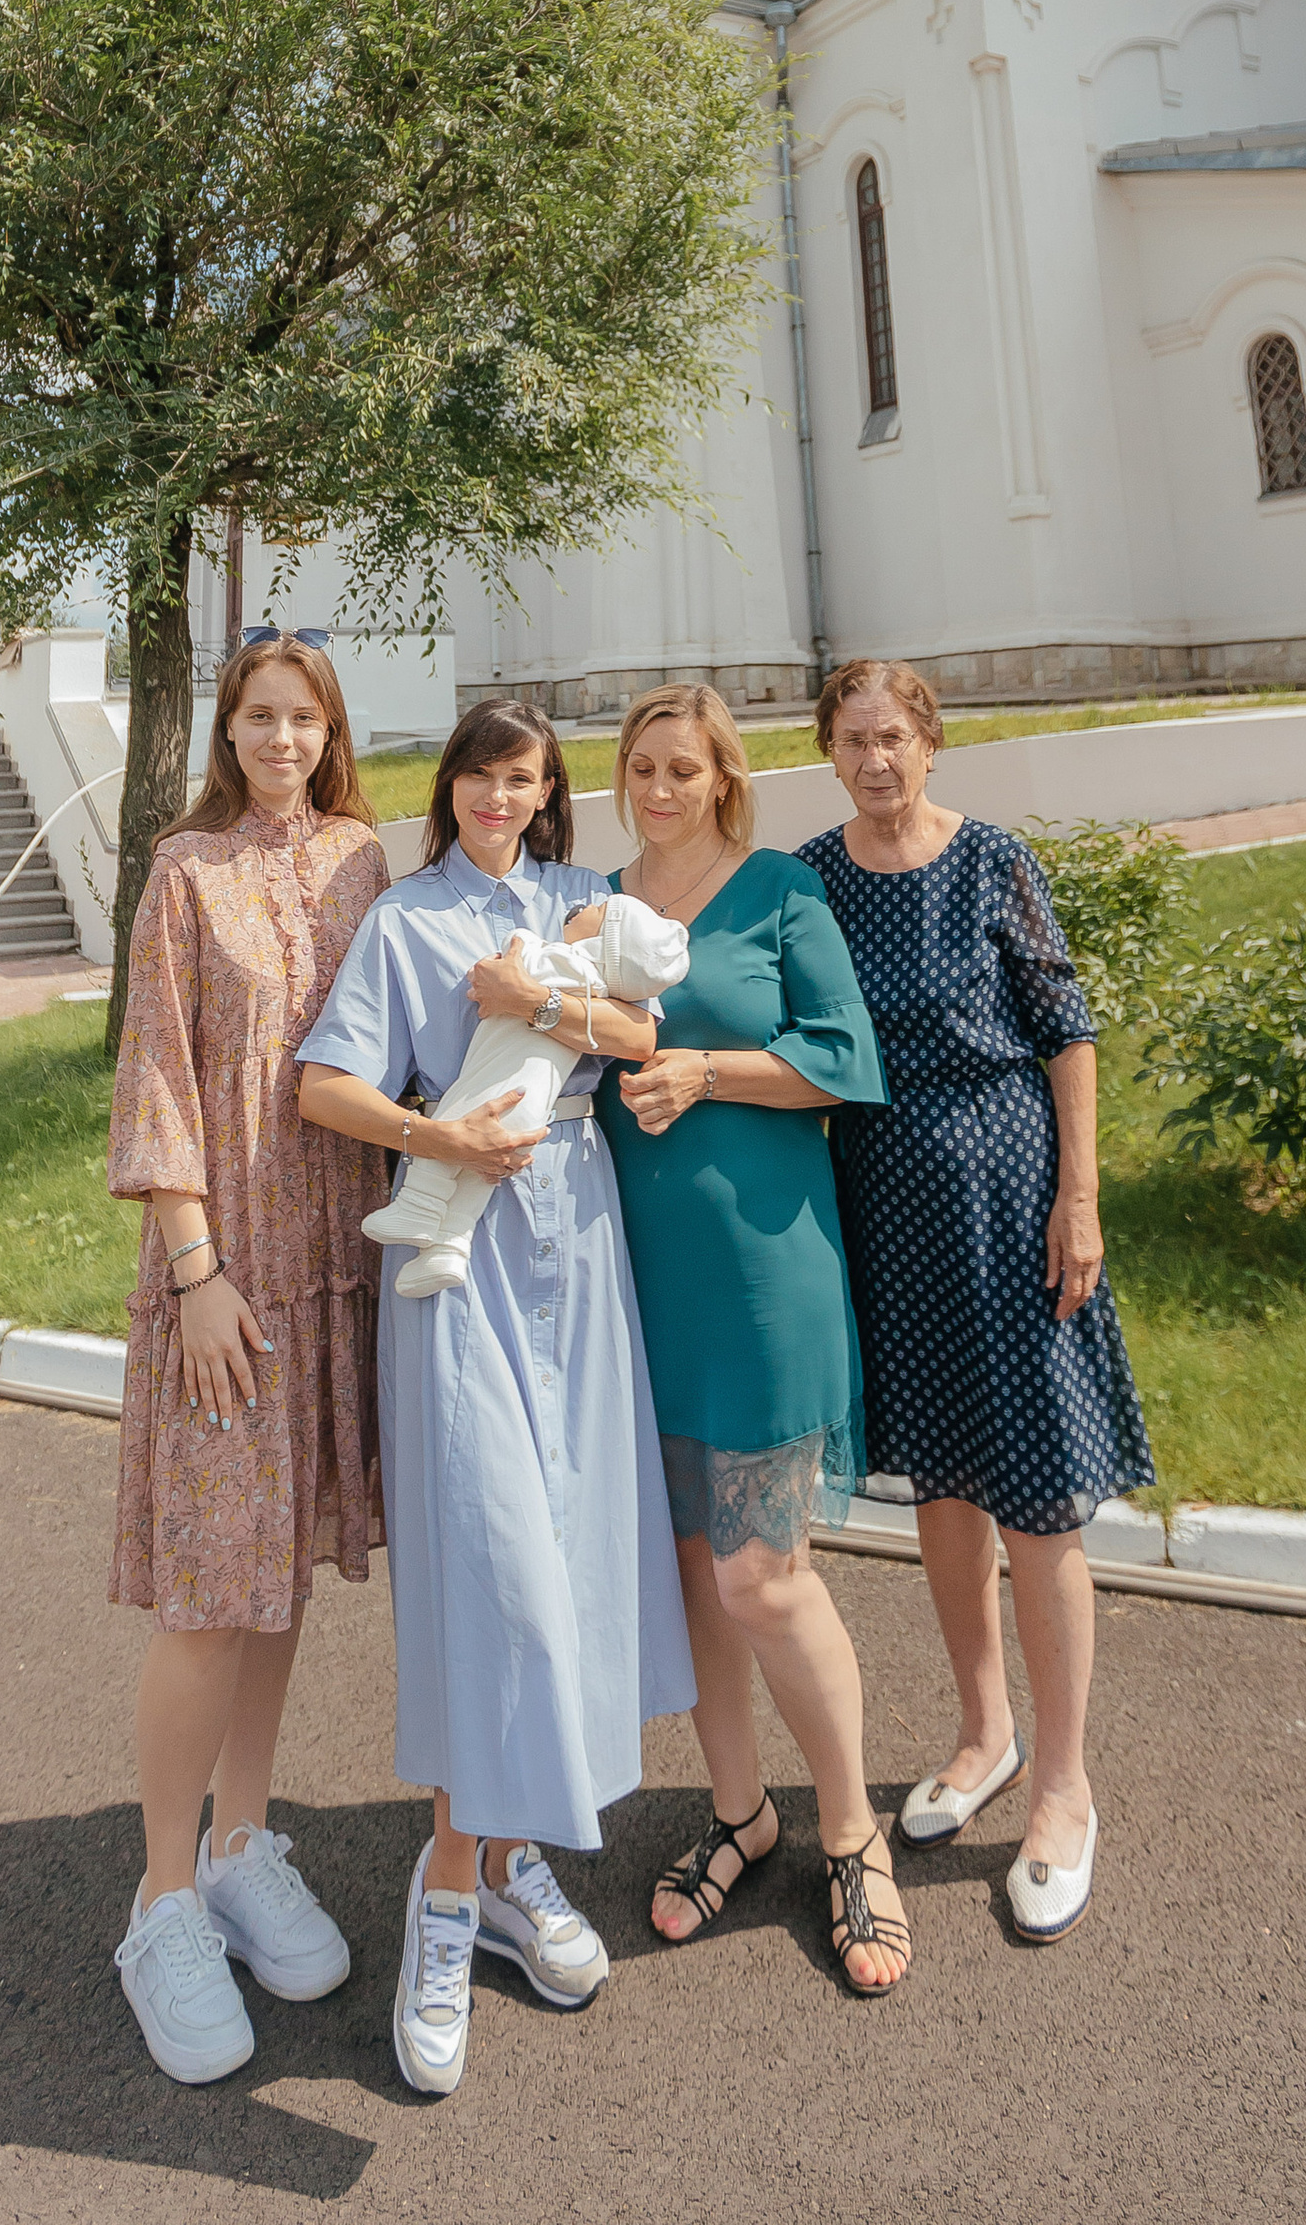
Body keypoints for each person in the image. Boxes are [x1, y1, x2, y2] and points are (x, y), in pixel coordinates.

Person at [297, 700, 693, 2098]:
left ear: (545, 794)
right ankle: (448, 1898)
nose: (500, 797)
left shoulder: (586, 899)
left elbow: (644, 1037)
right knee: (494, 1577)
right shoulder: (405, 921)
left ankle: (513, 1862)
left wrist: (540, 1005)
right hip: (455, 1269)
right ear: (451, 785)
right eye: (481, 774)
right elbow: (324, 1084)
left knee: (570, 1565)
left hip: (579, 1250)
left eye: (524, 779)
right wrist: (435, 1131)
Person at [796, 657, 1155, 1946]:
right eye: (853, 740)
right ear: (828, 752)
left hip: (1011, 1204)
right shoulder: (817, 877)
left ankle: (1064, 1786)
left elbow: (1065, 1026)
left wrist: (1081, 1195)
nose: (875, 760)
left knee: (1040, 1497)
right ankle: (982, 1732)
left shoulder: (989, 858)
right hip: (888, 1214)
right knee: (942, 1489)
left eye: (893, 737)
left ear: (931, 743)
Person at [107, 626, 391, 2087]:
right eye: (257, 717)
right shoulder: (183, 872)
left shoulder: (360, 859)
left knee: (278, 1578)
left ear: (331, 730)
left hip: (336, 1275)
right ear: (227, 733)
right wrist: (195, 1269)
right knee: (211, 1590)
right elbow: (158, 1074)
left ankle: (243, 1842)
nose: (279, 738)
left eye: (302, 717)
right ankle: (160, 1902)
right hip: (227, 1286)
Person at [598, 684, 909, 1998]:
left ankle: (852, 1833)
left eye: (685, 768)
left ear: (724, 776)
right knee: (693, 1584)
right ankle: (740, 1815)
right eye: (642, 768)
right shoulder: (600, 901)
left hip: (765, 1277)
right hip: (636, 1286)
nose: (661, 788)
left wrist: (707, 1070)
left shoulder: (778, 887)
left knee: (761, 1577)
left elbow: (846, 1058)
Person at [362, 888, 688, 1294]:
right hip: (535, 1110)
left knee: (452, 1121)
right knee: (480, 1179)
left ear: (602, 942)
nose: (586, 906)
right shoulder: (599, 990)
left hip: (499, 1088)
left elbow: (516, 960)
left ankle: (418, 1205)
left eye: (600, 911)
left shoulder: (572, 964)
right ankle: (450, 1246)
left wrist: (520, 946)